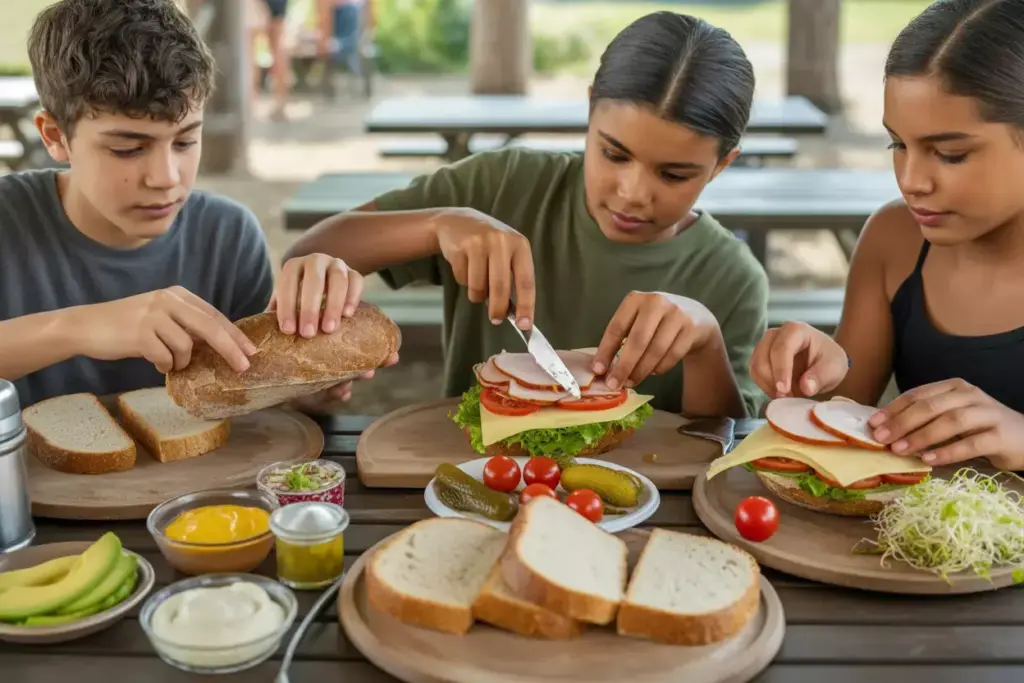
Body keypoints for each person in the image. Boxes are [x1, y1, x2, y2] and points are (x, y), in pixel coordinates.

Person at [283, 11, 770, 418]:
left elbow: (722, 443)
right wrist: (436, 225)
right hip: (479, 476)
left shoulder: (732, 278)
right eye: (614, 154)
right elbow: (311, 253)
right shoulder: (502, 185)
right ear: (590, 111)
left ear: (721, 164)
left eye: (674, 175)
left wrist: (706, 343)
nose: (633, 194)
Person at [0, 0, 382, 409]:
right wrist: (75, 328)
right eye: (128, 148)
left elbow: (257, 407)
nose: (166, 177)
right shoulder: (9, 221)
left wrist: (313, 384)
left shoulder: (228, 237)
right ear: (55, 136)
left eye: (184, 141)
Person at [750, 0, 1024, 470]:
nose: (912, 179)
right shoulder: (895, 240)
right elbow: (844, 421)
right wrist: (810, 379)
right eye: (898, 144)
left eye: (951, 154)